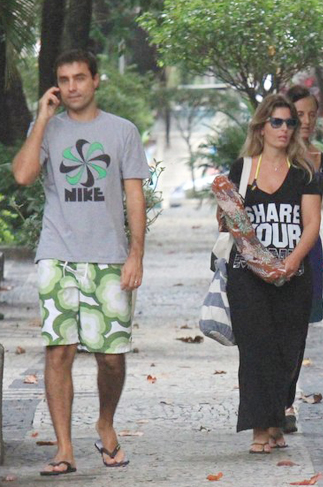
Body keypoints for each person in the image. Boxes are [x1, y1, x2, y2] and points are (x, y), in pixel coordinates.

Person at [11, 49, 150, 476]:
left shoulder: (122, 131)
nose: (72, 86)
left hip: (108, 256)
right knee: (59, 352)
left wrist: (135, 255)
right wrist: (41, 120)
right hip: (58, 253)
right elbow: (22, 175)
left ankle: (105, 422)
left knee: (110, 356)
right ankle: (65, 449)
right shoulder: (48, 129)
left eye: (79, 78)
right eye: (64, 79)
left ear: (96, 80)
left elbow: (133, 197)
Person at [223, 94, 321, 453]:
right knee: (255, 351)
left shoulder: (305, 171)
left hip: (292, 274)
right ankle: (258, 430)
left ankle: (276, 421)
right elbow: (231, 223)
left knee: (286, 352)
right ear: (261, 127)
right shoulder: (243, 169)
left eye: (289, 123)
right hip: (247, 275)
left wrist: (294, 260)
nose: (283, 129)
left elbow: (312, 223)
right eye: (276, 122)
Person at [281, 85, 323, 434]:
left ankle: (285, 401)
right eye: (299, 114)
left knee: (297, 328)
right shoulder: (269, 159)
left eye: (312, 115)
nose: (306, 121)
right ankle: (271, 399)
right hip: (273, 246)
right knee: (270, 327)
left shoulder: (321, 160)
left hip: (309, 249)